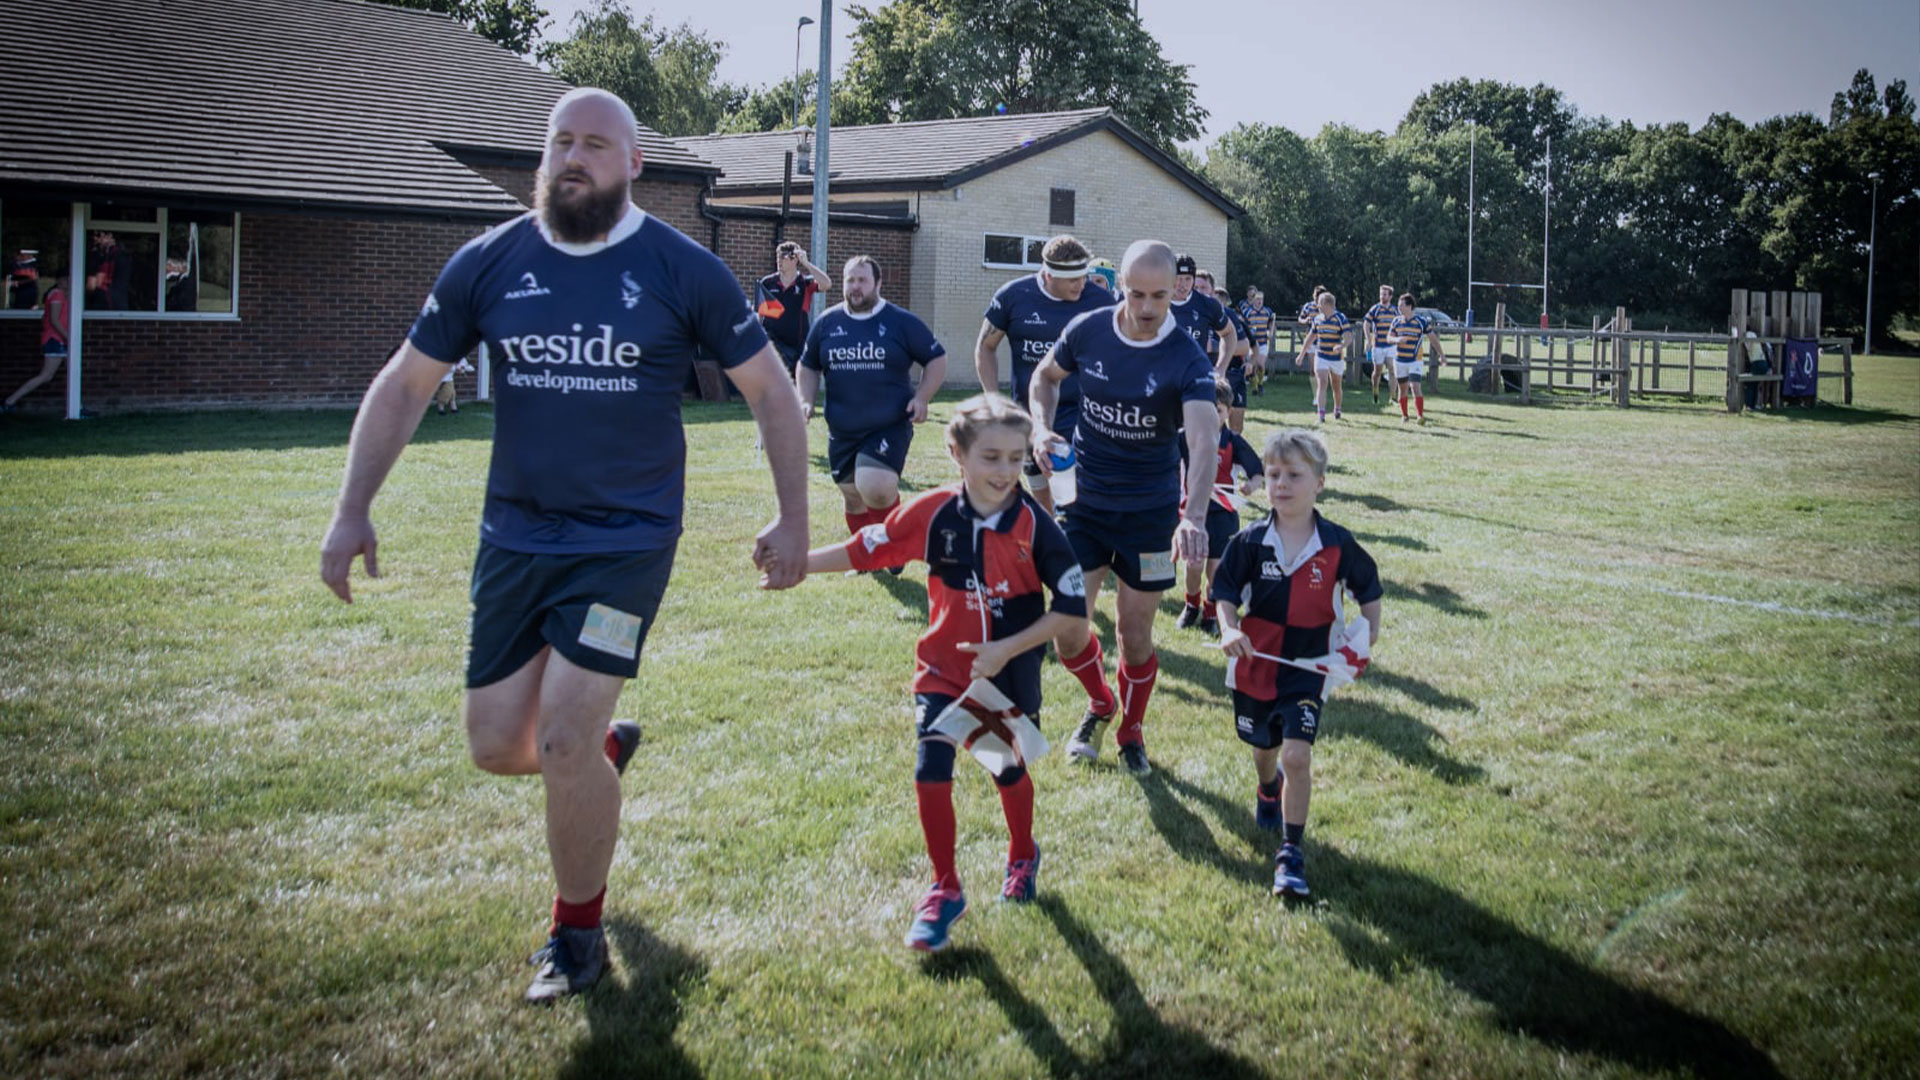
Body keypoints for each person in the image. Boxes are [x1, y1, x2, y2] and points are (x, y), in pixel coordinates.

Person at [318, 87, 811, 1004]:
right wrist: (352, 508)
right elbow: (403, 385)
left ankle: (576, 938)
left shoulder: (681, 269)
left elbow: (772, 395)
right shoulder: (489, 263)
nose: (575, 158)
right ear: (542, 158)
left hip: (626, 540)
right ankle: (601, 757)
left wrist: (795, 515)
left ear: (633, 165)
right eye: (561, 143)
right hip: (515, 533)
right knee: (500, 744)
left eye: (596, 145)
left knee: (563, 738)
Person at [799, 394, 1088, 952]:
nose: (1004, 472)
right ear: (957, 454)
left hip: (1003, 674)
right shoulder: (931, 513)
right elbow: (867, 550)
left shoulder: (1036, 526)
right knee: (930, 765)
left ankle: (1023, 852)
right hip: (941, 668)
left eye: (1013, 458)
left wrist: (1007, 649)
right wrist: (799, 565)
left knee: (1003, 768)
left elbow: (1071, 608)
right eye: (990, 458)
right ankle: (944, 887)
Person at [1029, 239, 1218, 776]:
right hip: (1084, 505)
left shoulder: (1186, 356)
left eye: (1159, 295)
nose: (1147, 306)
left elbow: (1203, 441)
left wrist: (1195, 515)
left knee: (1134, 638)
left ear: (1173, 294)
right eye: (1136, 293)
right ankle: (1099, 702)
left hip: (1151, 516)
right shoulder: (1088, 331)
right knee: (1067, 624)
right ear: (1119, 288)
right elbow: (1045, 377)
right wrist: (1042, 428)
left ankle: (1130, 730)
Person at [1214, 429, 1381, 898]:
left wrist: (1365, 640)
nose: (1281, 483)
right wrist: (1229, 629)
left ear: (1320, 483)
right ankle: (1268, 788)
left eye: (1293, 474)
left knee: (1296, 754)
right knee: (1264, 746)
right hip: (1254, 664)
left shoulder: (1336, 544)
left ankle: (1291, 853)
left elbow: (1369, 591)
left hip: (1309, 666)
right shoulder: (1248, 541)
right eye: (1272, 474)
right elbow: (1224, 592)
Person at [797, 255, 947, 542]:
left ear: (878, 283)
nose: (855, 287)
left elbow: (936, 358)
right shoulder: (827, 323)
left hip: (888, 423)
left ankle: (897, 545)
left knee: (874, 486)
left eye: (862, 280)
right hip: (842, 428)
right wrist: (805, 400)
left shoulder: (900, 322)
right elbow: (808, 365)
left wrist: (923, 397)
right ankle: (872, 556)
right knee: (853, 496)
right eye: (850, 280)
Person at [974, 235, 1111, 514]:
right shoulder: (1013, 297)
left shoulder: (1099, 300)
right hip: (1028, 415)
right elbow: (985, 347)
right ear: (1048, 275)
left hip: (1082, 413)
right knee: (1040, 495)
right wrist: (993, 400)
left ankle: (1072, 540)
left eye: (1084, 277)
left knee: (1072, 499)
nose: (1081, 285)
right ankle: (1051, 541)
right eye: (1073, 280)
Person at [1175, 380, 1262, 634]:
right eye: (1206, 409)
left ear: (1229, 412)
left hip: (1222, 514)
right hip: (1191, 512)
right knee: (1193, 564)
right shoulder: (1184, 437)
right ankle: (1191, 606)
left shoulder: (1233, 441)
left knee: (1215, 569)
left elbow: (1257, 472)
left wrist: (1251, 486)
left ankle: (1210, 614)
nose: (1212, 416)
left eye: (1219, 410)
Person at [756, 241, 832, 377]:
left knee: (796, 386)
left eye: (783, 257)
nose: (778, 260)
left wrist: (807, 264)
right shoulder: (767, 282)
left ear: (795, 259)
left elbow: (826, 284)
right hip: (773, 343)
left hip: (797, 344)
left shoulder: (805, 282)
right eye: (777, 256)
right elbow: (760, 312)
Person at [1196, 270, 1255, 433]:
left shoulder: (1225, 313)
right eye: (1196, 287)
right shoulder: (1186, 312)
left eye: (1203, 287)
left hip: (1231, 374)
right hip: (1200, 377)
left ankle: (1232, 455)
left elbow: (1244, 346)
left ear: (1212, 290)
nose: (1199, 291)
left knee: (1236, 428)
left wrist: (1216, 347)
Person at [2, 273, 69, 413]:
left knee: (71, 372)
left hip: (60, 339)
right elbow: (54, 320)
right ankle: (9, 401)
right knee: (46, 375)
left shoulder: (63, 295)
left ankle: (77, 406)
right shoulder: (56, 295)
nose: (68, 282)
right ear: (58, 280)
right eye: (65, 279)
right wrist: (67, 337)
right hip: (55, 339)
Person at [1167, 254, 1235, 380]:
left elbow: (1229, 333)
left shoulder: (1207, 304)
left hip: (1196, 381)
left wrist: (1221, 368)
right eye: (1179, 278)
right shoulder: (1156, 302)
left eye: (1188, 279)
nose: (1183, 285)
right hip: (1163, 382)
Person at [1389, 293, 1447, 424]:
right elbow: (1389, 338)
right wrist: (1397, 339)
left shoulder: (1421, 322)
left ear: (1409, 306)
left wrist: (1441, 355)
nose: (1399, 308)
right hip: (1399, 360)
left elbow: (1433, 339)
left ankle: (1420, 416)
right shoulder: (1396, 321)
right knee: (1402, 388)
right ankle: (1404, 415)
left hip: (1415, 360)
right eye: (1398, 305)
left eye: (1401, 305)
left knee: (1415, 386)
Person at [1298, 289, 1351, 422]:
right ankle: (1321, 415)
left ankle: (1337, 408)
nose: (1318, 306)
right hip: (1321, 355)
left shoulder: (1340, 318)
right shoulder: (1317, 319)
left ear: (1327, 304)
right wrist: (1301, 354)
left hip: (1336, 358)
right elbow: (1310, 338)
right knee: (1322, 382)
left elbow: (1349, 338)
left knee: (1336, 386)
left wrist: (1342, 346)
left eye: (1320, 303)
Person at [1363, 284, 1398, 406]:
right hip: (1378, 345)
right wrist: (1368, 339)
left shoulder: (1395, 310)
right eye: (1380, 294)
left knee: (1392, 370)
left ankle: (1392, 397)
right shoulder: (1375, 309)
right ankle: (1375, 393)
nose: (1382, 296)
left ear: (1390, 296)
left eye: (1384, 294)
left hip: (1391, 346)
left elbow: (1400, 325)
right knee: (1377, 372)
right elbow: (1366, 324)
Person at [1239, 288, 1276, 396]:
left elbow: (1271, 321)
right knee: (1253, 366)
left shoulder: (1267, 311)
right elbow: (1242, 323)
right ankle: (1255, 388)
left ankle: (1260, 384)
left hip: (1263, 341)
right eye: (1258, 299)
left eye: (1262, 299)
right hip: (1252, 343)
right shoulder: (1248, 311)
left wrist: (1271, 331)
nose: (1260, 302)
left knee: (1261, 365)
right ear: (1254, 300)